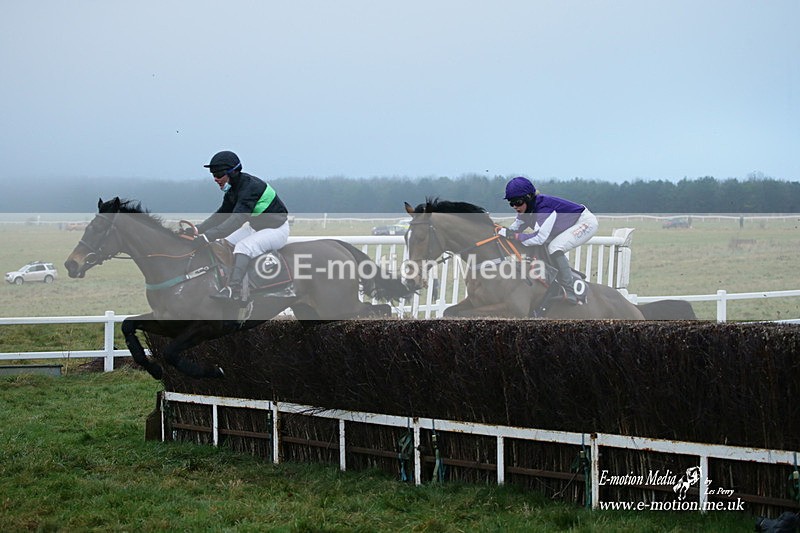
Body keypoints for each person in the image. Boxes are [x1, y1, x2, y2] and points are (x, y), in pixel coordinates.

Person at [189, 150, 290, 301]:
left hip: (277, 230)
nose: (215, 179)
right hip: (256, 228)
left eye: (218, 174)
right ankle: (225, 279)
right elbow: (221, 215)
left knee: (243, 247)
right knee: (223, 244)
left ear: (233, 172)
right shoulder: (233, 189)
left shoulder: (250, 188)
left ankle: (233, 289)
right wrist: (198, 229)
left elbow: (236, 221)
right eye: (213, 175)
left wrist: (206, 237)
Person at [497, 176, 598, 304]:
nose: (515, 207)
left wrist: (514, 236)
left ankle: (570, 290)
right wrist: (498, 231)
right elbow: (513, 230)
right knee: (545, 246)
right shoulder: (526, 210)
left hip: (585, 222)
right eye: (511, 203)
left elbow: (539, 238)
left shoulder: (545, 208)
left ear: (528, 197)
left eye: (517, 202)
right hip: (567, 224)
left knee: (554, 247)